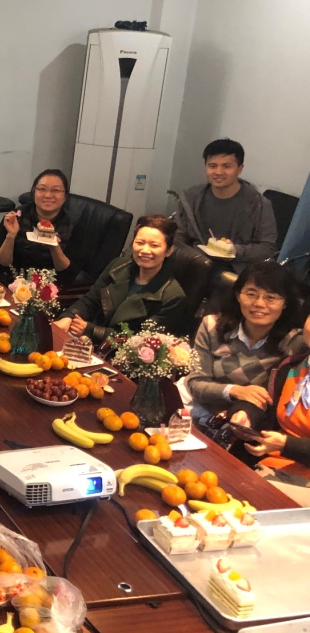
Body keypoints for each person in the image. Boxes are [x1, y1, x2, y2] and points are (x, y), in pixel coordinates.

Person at [185, 261, 303, 424]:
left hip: (244, 420)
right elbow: (195, 383)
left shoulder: (294, 343)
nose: (259, 304)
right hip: (196, 406)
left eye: (270, 297)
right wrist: (235, 391)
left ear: (285, 304)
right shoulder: (212, 326)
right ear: (237, 295)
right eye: (251, 294)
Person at [53, 215, 188, 345]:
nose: (145, 250)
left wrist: (92, 331)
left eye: (154, 245)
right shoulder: (118, 266)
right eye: (140, 243)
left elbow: (144, 341)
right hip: (86, 340)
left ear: (169, 251)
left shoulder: (173, 297)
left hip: (119, 353)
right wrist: (69, 316)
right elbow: (91, 300)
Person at [174, 138, 278, 273]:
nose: (218, 172)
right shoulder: (191, 198)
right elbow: (178, 236)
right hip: (194, 265)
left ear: (240, 169)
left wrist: (236, 250)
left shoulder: (258, 204)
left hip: (237, 270)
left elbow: (267, 248)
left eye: (226, 166)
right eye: (212, 166)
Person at [229, 311, 310, 479]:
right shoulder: (292, 365)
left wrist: (287, 444)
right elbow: (262, 398)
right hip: (269, 464)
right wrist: (245, 415)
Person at [0, 169, 77, 285]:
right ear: (34, 192)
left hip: (52, 287)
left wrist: (54, 247)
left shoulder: (73, 225)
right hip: (13, 283)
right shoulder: (15, 218)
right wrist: (11, 236)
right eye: (42, 189)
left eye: (56, 190)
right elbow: (0, 264)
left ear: (65, 196)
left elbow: (69, 274)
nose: (48, 195)